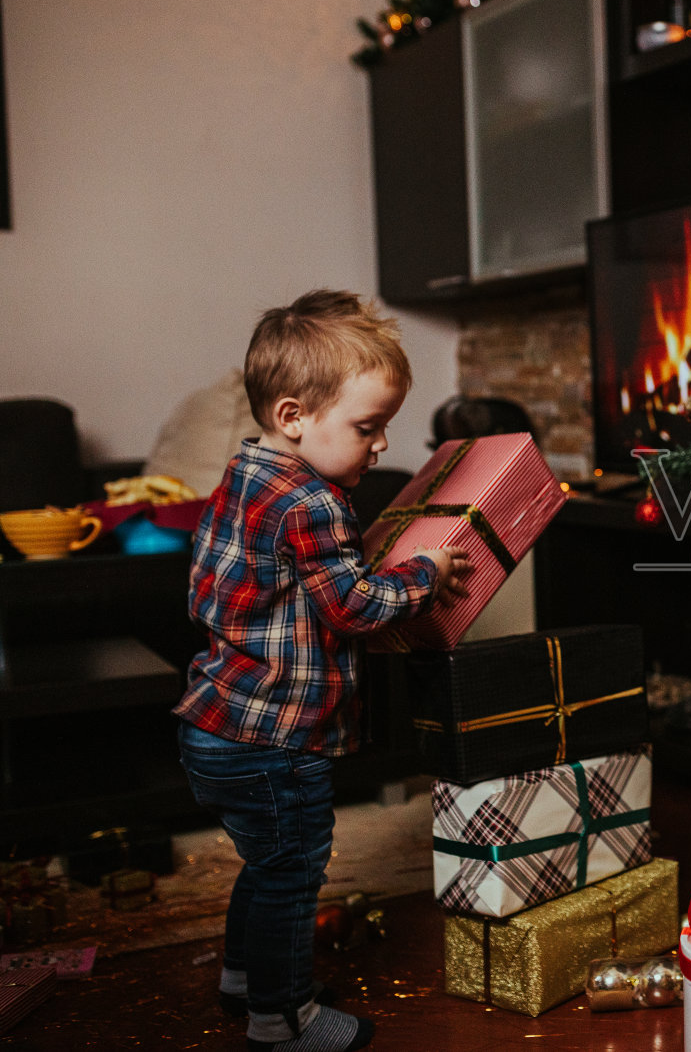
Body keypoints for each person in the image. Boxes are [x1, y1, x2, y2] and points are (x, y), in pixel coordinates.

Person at [173, 290, 470, 1052]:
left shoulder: (243, 476)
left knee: (264, 860)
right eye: (366, 427)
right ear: (294, 415)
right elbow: (355, 607)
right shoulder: (314, 501)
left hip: (215, 725)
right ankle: (283, 1019)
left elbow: (215, 588)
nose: (378, 447)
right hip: (275, 739)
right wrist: (425, 574)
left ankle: (245, 978)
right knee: (293, 871)